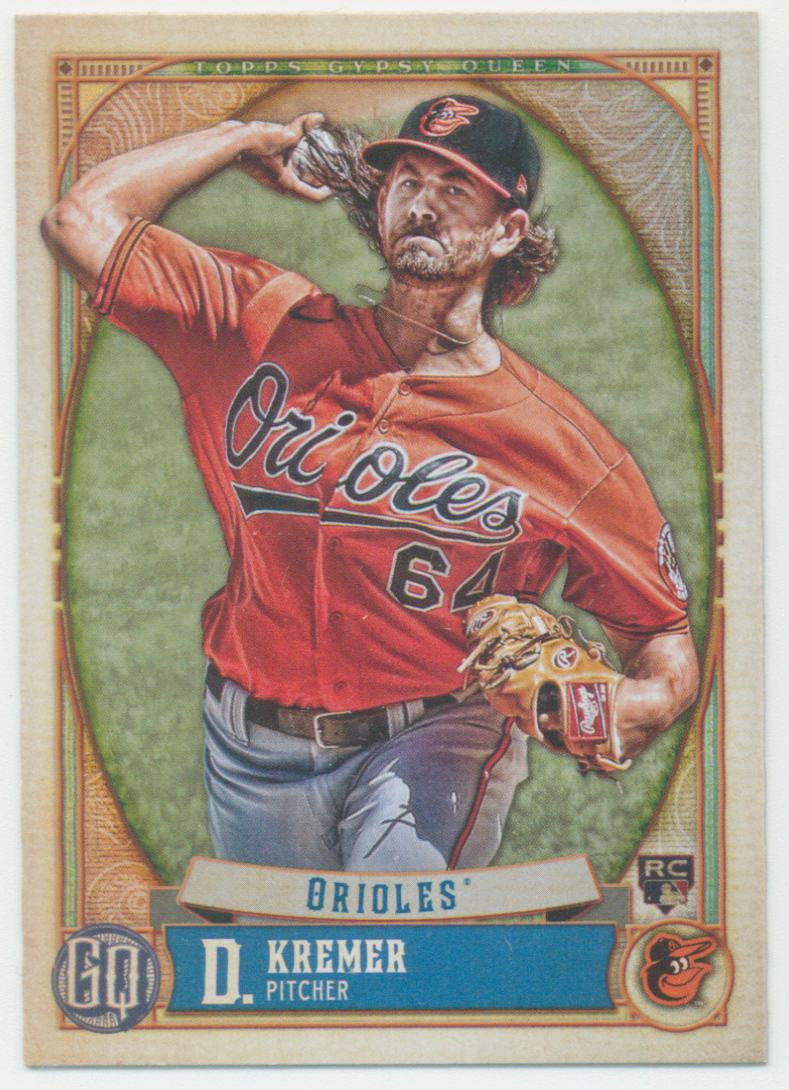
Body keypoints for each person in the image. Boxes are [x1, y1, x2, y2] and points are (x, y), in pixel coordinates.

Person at [41, 94, 699, 873]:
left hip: (436, 738)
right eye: (406, 181)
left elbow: (662, 649)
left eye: (455, 189)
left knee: (398, 925)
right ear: (380, 205)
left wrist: (616, 707)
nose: (423, 204)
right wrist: (238, 139)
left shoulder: (565, 449)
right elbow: (79, 221)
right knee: (284, 950)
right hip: (249, 747)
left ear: (506, 231)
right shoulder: (256, 324)